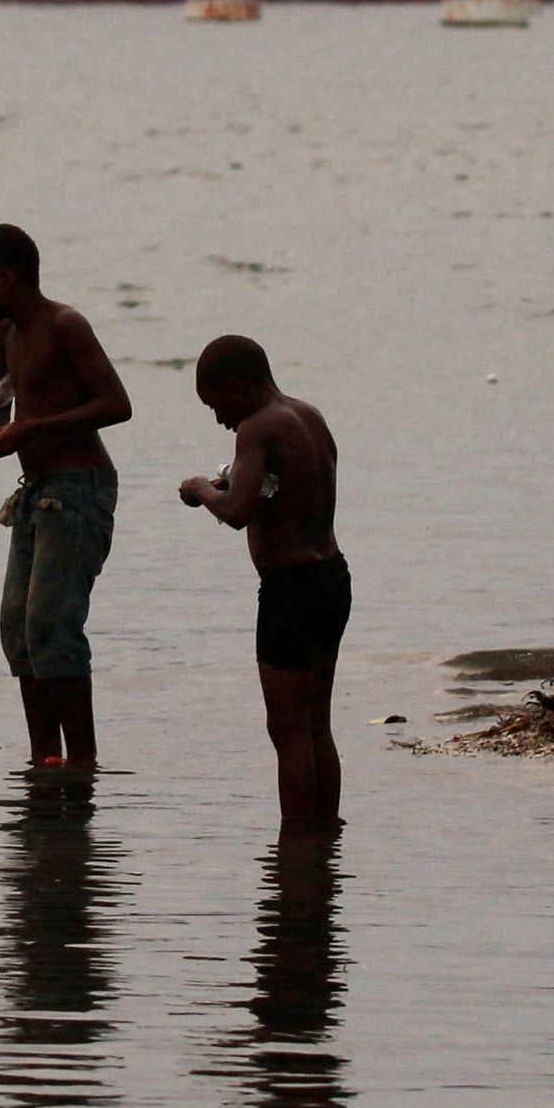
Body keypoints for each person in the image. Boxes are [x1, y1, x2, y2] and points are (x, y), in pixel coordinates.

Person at [0, 222, 131, 768]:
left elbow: (116, 404)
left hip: (79, 489)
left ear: (8, 279)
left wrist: (34, 429)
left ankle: (82, 761)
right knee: (19, 629)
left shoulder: (64, 326)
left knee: (53, 625)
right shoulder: (5, 334)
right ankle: (44, 758)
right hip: (38, 492)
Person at [177, 334, 345, 838]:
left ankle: (296, 845)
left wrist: (200, 488)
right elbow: (284, 489)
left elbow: (235, 512)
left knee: (286, 728)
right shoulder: (307, 417)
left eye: (216, 404)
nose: (219, 419)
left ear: (236, 385)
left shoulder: (256, 427)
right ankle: (324, 836)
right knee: (316, 722)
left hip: (290, 590)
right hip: (332, 578)